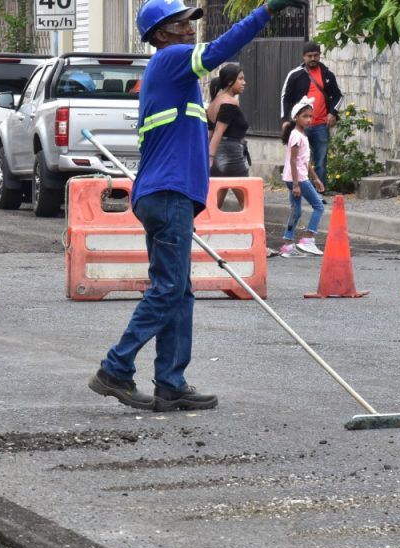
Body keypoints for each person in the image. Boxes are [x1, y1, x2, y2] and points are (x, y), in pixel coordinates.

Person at [87, 0, 305, 413]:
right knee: (169, 289)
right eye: (181, 23)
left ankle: (171, 382)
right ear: (161, 35)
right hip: (167, 195)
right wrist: (266, 12)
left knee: (178, 291)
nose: (190, 29)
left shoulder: (176, 79)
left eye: (190, 22)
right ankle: (115, 368)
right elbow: (221, 49)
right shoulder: (171, 60)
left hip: (169, 196)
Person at [281, 42, 342, 189]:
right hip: (300, 127)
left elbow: (338, 96)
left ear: (320, 55)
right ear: (304, 57)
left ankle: (319, 191)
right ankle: (300, 188)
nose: (313, 58)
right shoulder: (295, 75)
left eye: (316, 55)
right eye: (309, 56)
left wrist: (333, 113)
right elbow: (285, 97)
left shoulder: (327, 74)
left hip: (321, 125)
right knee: (299, 159)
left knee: (321, 161)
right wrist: (285, 120)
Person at [279, 98, 325, 257]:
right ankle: (308, 239)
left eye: (310, 116)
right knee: (319, 206)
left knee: (296, 211)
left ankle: (287, 244)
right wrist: (297, 184)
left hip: (294, 178)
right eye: (305, 116)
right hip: (297, 179)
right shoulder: (296, 136)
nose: (308, 119)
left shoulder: (299, 135)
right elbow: (293, 160)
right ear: (295, 117)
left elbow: (304, 161)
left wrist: (316, 178)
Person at [206, 63, 250, 210]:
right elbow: (218, 132)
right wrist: (210, 157)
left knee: (215, 202)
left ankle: (205, 230)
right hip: (230, 155)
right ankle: (254, 230)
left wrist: (209, 157)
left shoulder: (215, 101)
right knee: (249, 201)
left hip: (219, 156)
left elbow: (210, 133)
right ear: (230, 81)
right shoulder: (229, 102)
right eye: (241, 79)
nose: (244, 82)